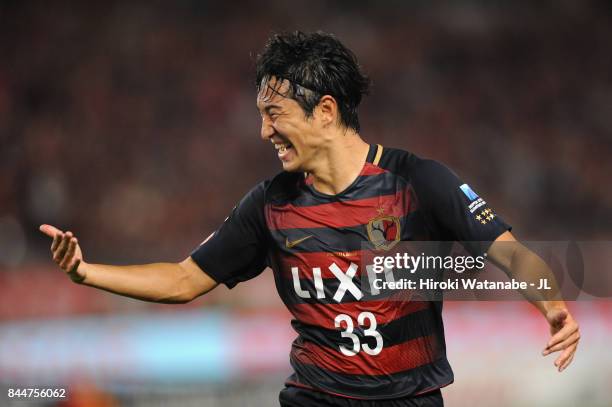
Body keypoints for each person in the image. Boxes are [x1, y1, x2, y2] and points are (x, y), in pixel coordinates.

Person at [40, 31, 580, 406]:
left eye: (273, 114)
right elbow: (185, 279)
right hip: (315, 397)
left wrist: (553, 306)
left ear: (324, 111)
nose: (263, 132)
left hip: (411, 400)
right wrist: (87, 272)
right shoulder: (270, 204)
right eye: (260, 117)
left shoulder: (418, 181)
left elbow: (510, 251)